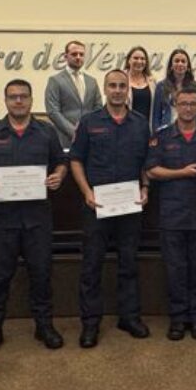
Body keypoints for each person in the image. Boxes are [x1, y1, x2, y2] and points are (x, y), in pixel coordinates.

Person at [0, 79, 68, 360]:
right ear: (6, 100)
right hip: (2, 218)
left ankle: (44, 326)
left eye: (23, 96)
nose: (19, 101)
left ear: (31, 99)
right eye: (13, 97)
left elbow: (60, 160)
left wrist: (59, 175)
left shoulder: (46, 132)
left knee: (41, 273)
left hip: (38, 217)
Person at [69, 70, 151, 347]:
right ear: (104, 89)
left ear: (128, 89)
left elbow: (146, 163)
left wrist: (145, 188)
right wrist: (86, 192)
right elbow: (76, 160)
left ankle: (129, 317)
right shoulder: (90, 122)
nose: (117, 90)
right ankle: (90, 324)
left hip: (130, 206)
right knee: (91, 266)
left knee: (129, 264)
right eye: (112, 86)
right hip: (97, 206)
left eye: (122, 86)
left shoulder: (140, 124)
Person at [146, 87, 196, 340]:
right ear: (175, 105)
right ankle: (177, 319)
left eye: (193, 104)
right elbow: (152, 170)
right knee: (175, 269)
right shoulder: (161, 137)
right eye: (183, 103)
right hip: (172, 214)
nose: (187, 108)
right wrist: (181, 172)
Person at [45, 40, 104, 147]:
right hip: (65, 138)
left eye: (81, 54)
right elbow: (53, 111)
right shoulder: (55, 80)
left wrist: (90, 130)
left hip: (90, 137)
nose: (78, 57)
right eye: (74, 54)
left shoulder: (92, 81)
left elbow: (98, 107)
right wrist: (74, 132)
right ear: (65, 56)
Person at [151, 48, 196, 131]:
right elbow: (156, 116)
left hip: (190, 131)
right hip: (167, 131)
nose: (180, 64)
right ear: (171, 65)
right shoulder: (161, 86)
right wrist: (156, 134)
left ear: (188, 66)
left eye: (183, 61)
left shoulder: (195, 86)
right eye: (177, 61)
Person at [123, 46, 157, 130]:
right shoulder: (122, 79)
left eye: (142, 59)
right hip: (126, 129)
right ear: (129, 60)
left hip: (147, 131)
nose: (139, 61)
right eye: (136, 58)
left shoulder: (152, 82)